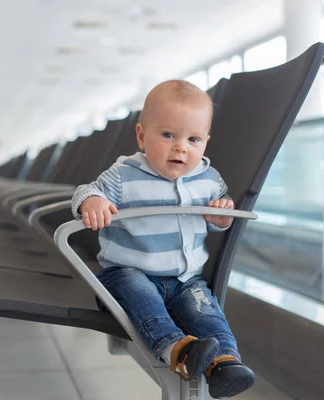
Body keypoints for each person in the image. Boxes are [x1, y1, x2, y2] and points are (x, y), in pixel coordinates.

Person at [71, 79, 254, 398]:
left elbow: (220, 216)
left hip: (187, 279)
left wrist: (222, 216)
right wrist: (92, 202)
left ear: (205, 143)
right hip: (128, 273)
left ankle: (225, 362)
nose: (181, 147)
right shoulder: (124, 175)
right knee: (144, 301)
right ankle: (177, 350)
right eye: (168, 135)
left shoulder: (209, 180)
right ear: (142, 136)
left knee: (205, 311)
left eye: (193, 139)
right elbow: (87, 190)